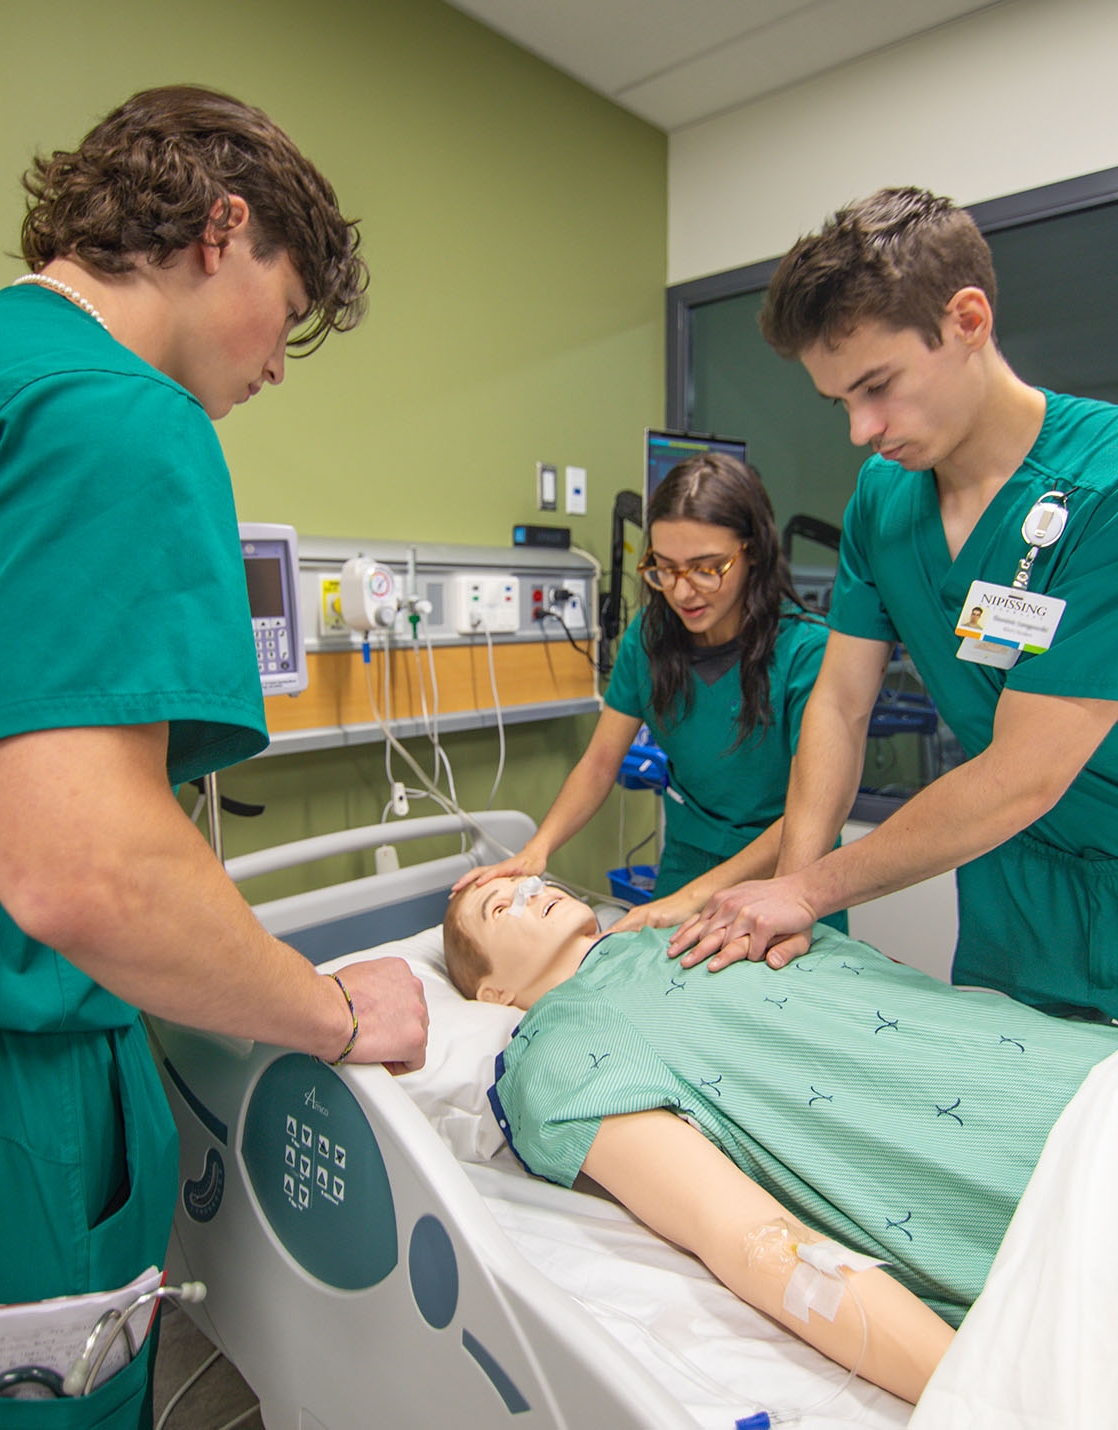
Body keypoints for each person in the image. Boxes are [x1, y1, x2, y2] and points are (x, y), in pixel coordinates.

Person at [0, 87, 427, 1423]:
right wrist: (336, 1011)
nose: (277, 362)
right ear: (220, 228)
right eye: (285, 311)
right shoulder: (119, 415)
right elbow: (90, 876)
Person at [670, 188, 1118, 1020]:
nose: (860, 430)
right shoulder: (886, 498)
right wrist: (791, 903)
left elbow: (1027, 774)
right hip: (1006, 885)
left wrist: (807, 890)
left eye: (877, 386)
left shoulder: (1106, 490)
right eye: (840, 401)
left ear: (968, 320)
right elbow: (839, 706)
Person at [443, 876, 1118, 1406]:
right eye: (500, 910)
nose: (533, 892)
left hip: (1075, 1064)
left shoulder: (714, 919)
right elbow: (748, 1235)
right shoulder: (557, 1047)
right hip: (1044, 1177)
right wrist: (985, 1399)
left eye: (528, 882)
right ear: (494, 995)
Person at [454, 453, 844, 933]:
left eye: (706, 568)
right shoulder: (650, 639)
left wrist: (692, 900)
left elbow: (814, 812)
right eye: (665, 567)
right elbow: (600, 763)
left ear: (754, 551)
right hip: (686, 863)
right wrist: (537, 850)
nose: (682, 592)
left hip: (786, 871)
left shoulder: (808, 652)